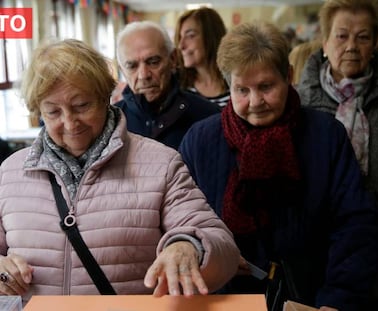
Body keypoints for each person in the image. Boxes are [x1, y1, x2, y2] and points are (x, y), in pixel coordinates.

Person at [0, 38, 240, 305]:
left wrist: (188, 247)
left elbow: (223, 248)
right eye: (53, 111)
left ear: (106, 97)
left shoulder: (160, 164)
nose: (69, 123)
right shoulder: (10, 172)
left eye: (82, 106)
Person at [179, 21, 378, 311]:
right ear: (228, 86)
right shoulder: (201, 140)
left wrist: (338, 299)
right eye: (242, 90)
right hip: (227, 297)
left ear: (288, 76)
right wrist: (208, 254)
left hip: (314, 294)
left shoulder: (325, 134)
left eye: (266, 87)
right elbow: (182, 220)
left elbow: (355, 224)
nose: (255, 101)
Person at [296, 0, 378, 310]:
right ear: (324, 41)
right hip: (314, 261)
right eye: (341, 35)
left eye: (362, 37)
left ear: (375, 42)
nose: (351, 46)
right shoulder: (297, 101)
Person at [114, 21, 220, 150]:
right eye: (132, 66)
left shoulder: (209, 117)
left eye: (153, 62)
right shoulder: (110, 123)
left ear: (173, 59)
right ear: (121, 70)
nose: (143, 75)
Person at [175, 7, 230, 108]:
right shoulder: (178, 85)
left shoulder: (238, 81)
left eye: (190, 36)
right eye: (180, 37)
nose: (181, 46)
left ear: (211, 36)